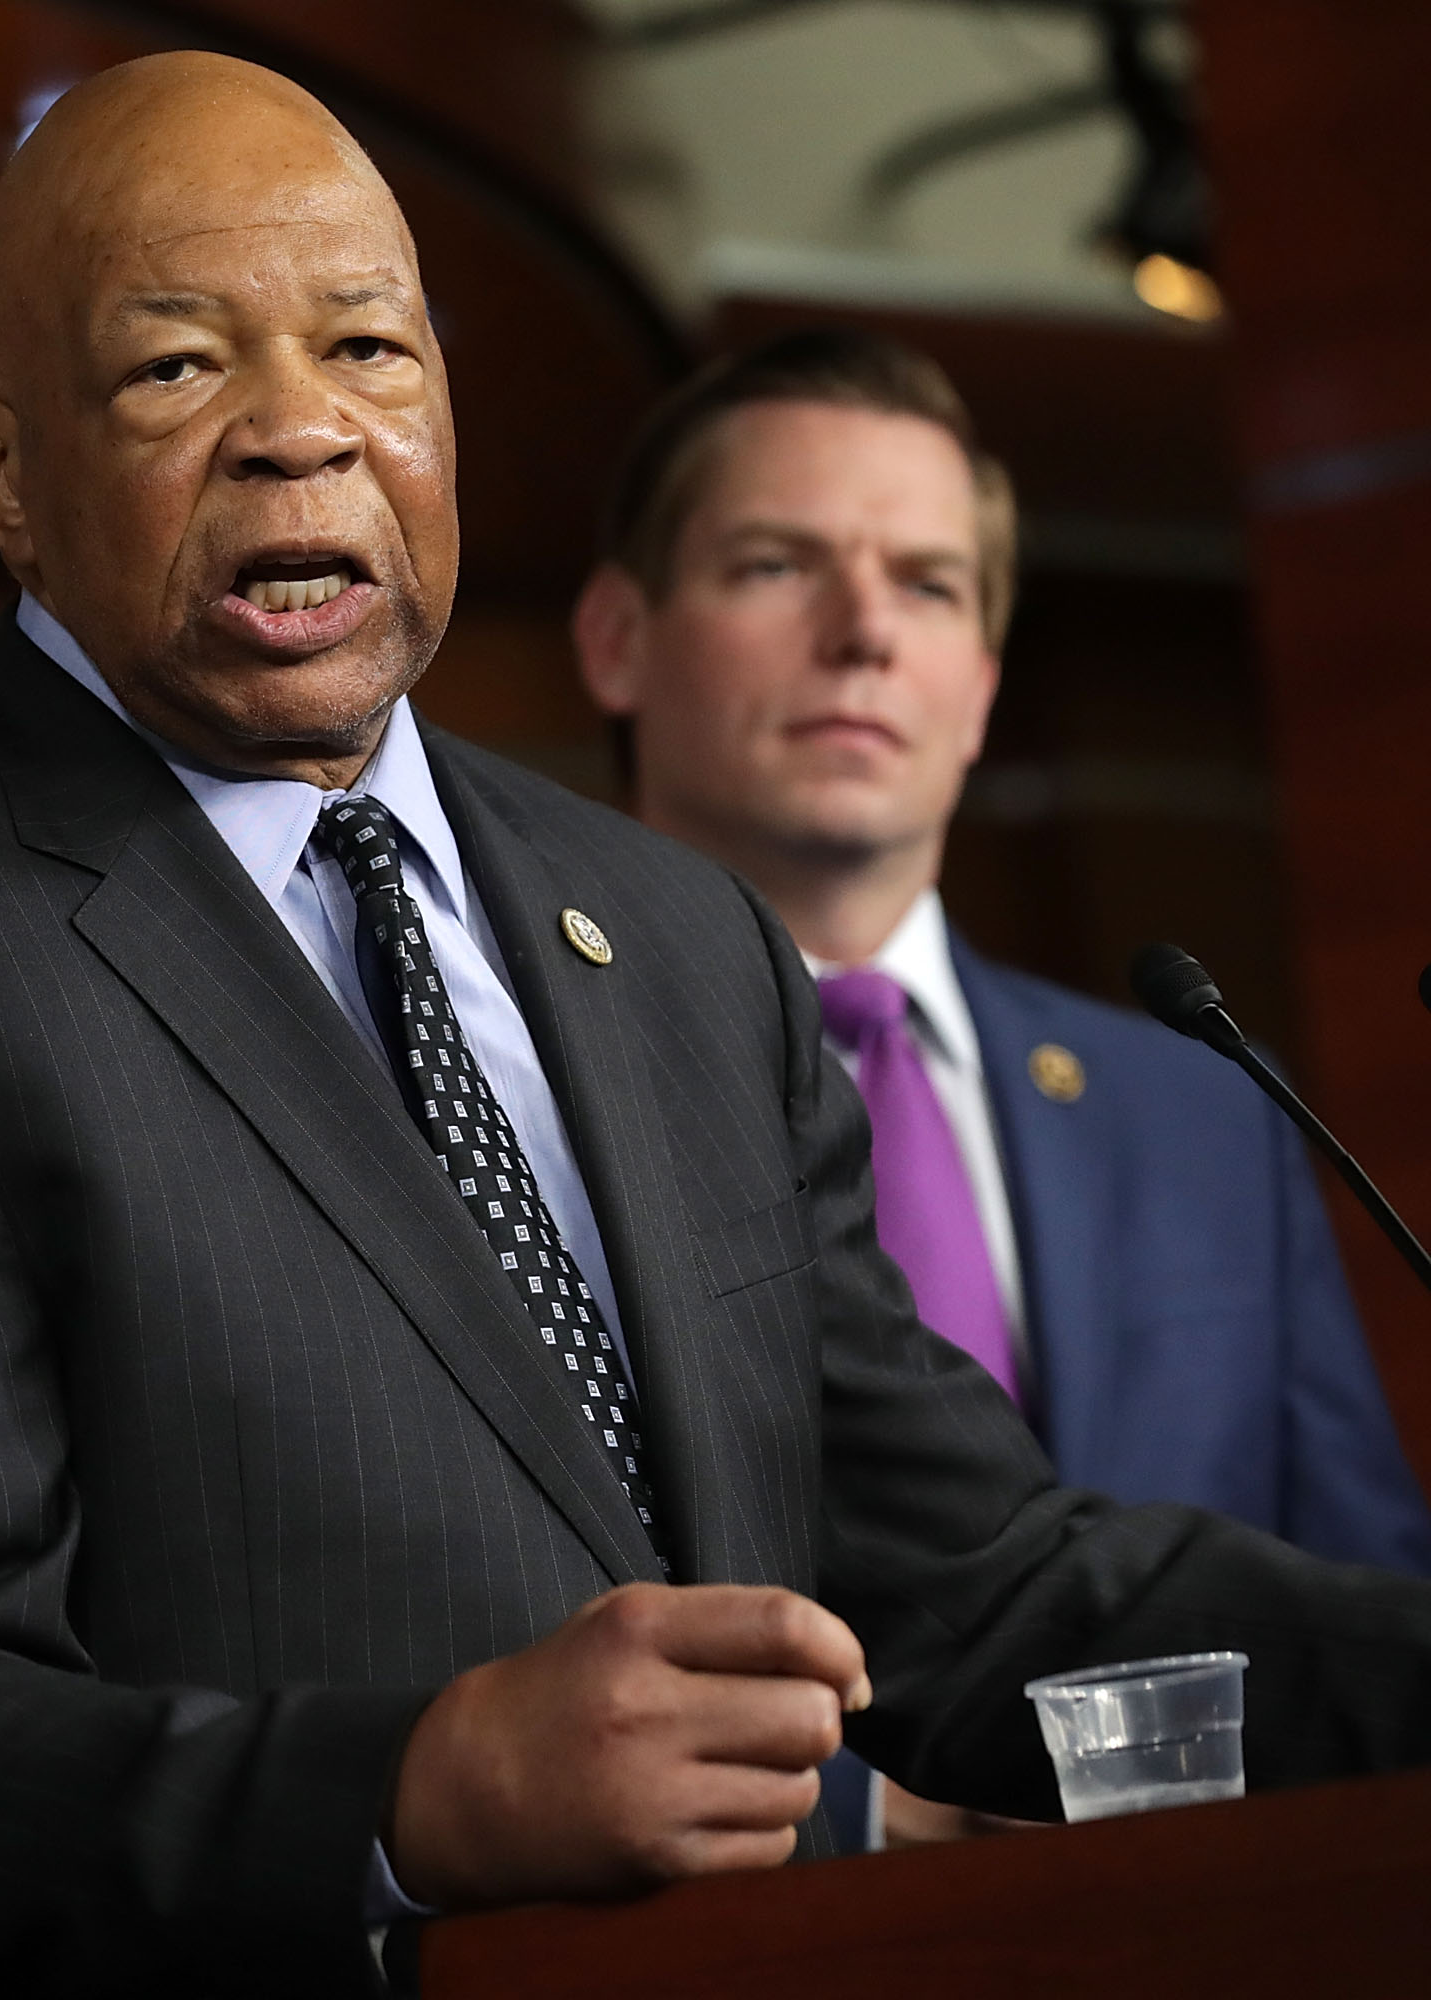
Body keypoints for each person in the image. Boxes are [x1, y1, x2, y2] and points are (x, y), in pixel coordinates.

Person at [0, 51, 1431, 1999]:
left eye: (369, 349)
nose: (300, 430)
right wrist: (417, 1789)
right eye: (177, 368)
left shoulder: (681, 937)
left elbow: (976, 1592)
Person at [570, 329, 1431, 1845]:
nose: (863, 634)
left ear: (978, 687)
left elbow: (1363, 1600)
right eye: (777, 565)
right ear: (619, 639)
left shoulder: (1203, 1107)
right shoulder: (508, 1084)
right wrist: (863, 1813)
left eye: (929, 585)